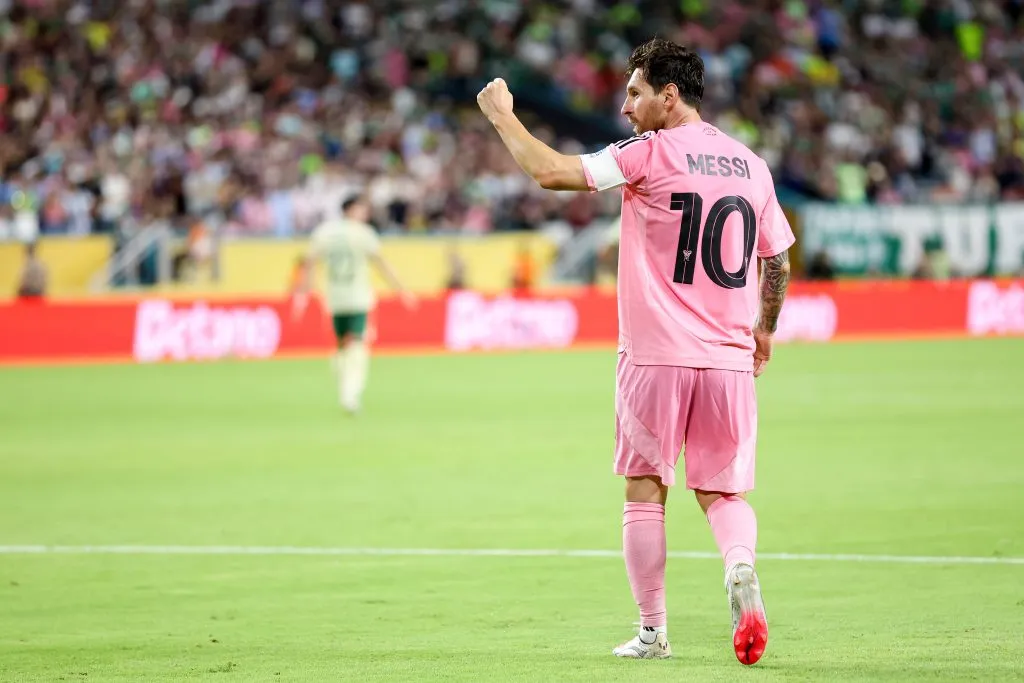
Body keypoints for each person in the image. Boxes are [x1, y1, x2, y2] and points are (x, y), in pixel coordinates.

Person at [476, 38, 794, 665]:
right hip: (730, 359)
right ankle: (739, 565)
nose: (625, 106)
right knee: (724, 496)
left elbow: (552, 173)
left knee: (645, 491)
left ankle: (652, 631)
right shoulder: (750, 165)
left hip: (655, 356)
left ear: (668, 97)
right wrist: (764, 328)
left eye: (635, 92)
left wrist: (502, 116)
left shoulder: (646, 153)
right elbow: (777, 261)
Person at [292, 195, 416, 414]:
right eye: (362, 209)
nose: (365, 214)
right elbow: (382, 264)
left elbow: (309, 263)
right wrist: (402, 290)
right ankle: (350, 393)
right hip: (357, 297)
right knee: (356, 345)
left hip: (333, 298)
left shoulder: (324, 233)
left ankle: (346, 390)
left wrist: (304, 294)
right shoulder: (363, 234)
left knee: (344, 345)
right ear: (350, 210)